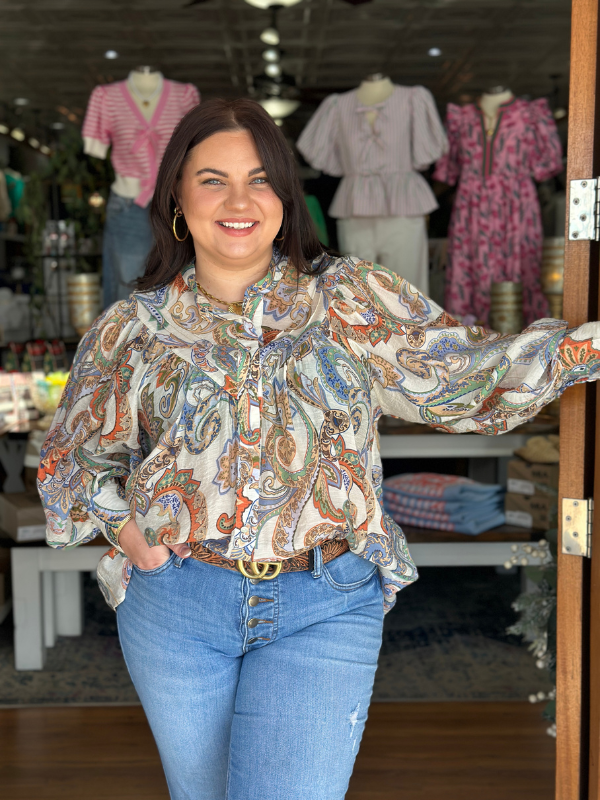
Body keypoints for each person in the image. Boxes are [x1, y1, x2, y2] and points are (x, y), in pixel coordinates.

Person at [38, 98, 600, 800]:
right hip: (178, 605)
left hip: (324, 598)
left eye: (260, 178)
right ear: (177, 198)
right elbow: (73, 455)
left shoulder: (347, 298)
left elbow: (463, 377)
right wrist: (130, 533)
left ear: (286, 195)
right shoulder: (134, 327)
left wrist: (587, 347)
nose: (239, 200)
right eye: (212, 179)